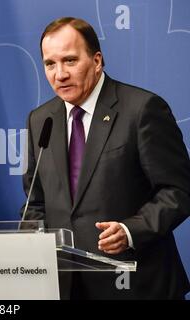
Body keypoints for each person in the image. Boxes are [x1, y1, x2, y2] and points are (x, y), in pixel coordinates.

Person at [23, 17, 190, 299]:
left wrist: (130, 229)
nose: (59, 74)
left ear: (97, 60)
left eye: (70, 61)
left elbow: (178, 190)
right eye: (50, 64)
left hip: (136, 284)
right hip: (66, 287)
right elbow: (34, 201)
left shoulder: (142, 110)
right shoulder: (40, 120)